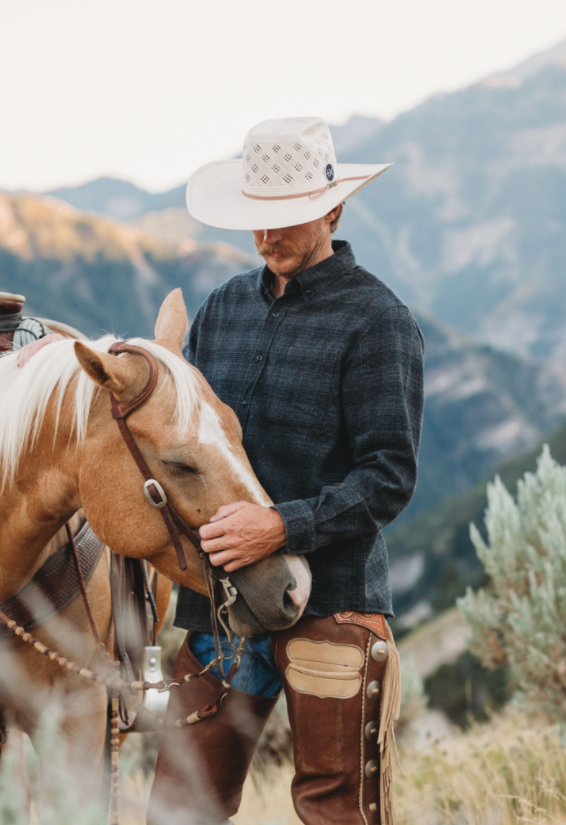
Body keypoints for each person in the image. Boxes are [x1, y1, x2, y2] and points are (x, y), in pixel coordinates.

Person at [147, 117, 424, 825]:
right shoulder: (223, 309)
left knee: (338, 813)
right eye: (256, 221)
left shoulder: (377, 320)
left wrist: (280, 525)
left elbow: (388, 475)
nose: (267, 237)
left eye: (286, 219)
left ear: (332, 208)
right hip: (221, 614)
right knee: (180, 808)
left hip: (334, 606)